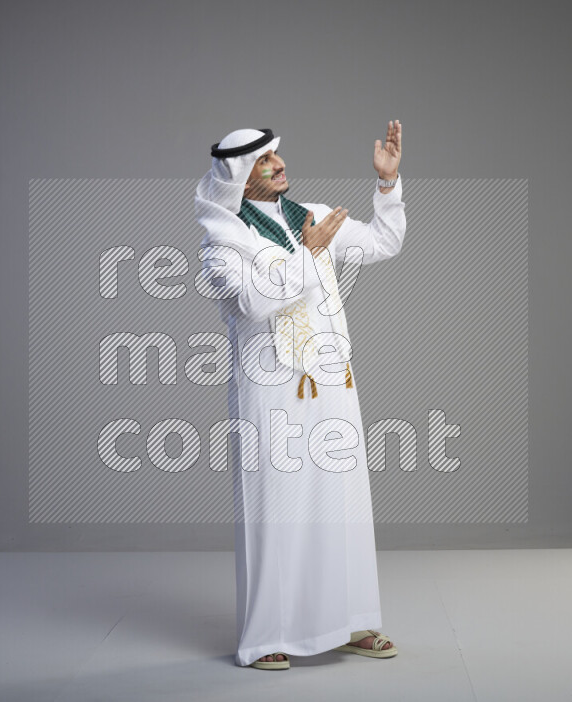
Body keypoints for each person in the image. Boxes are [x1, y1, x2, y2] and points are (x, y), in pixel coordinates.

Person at [194, 122, 406, 669]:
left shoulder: (311, 214)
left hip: (333, 380)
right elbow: (252, 302)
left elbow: (384, 244)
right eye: (264, 161)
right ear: (240, 180)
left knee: (344, 503)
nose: (278, 164)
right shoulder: (223, 242)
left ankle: (353, 622)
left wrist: (387, 186)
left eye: (276, 155)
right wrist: (309, 256)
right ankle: (268, 637)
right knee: (277, 509)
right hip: (272, 389)